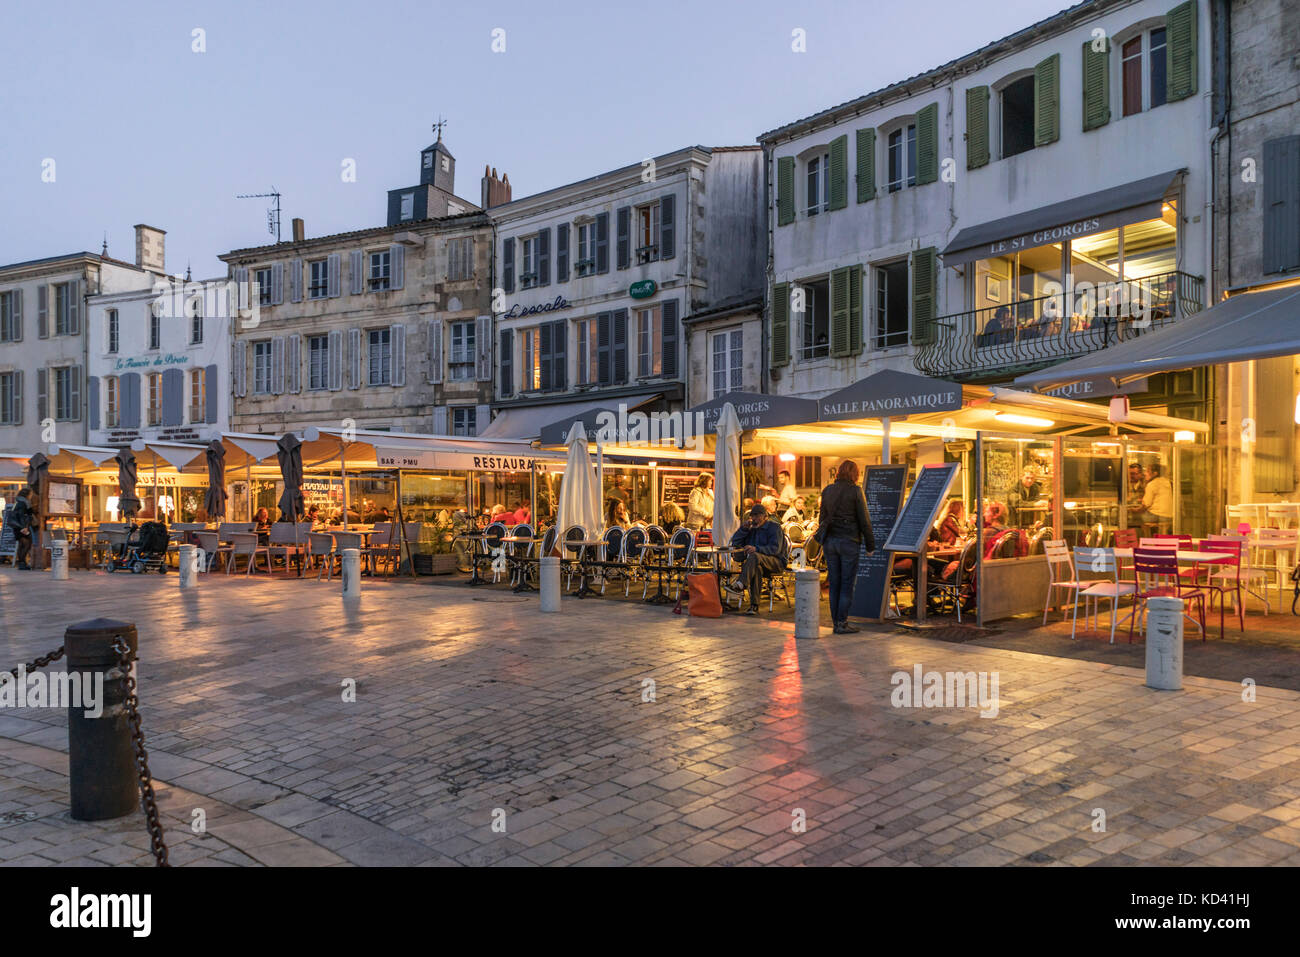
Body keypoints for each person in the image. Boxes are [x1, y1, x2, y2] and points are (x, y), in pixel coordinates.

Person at [814, 460, 874, 635]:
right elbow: (864, 520)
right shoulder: (855, 491)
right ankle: (842, 622)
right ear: (854, 474)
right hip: (849, 541)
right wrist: (871, 545)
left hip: (830, 543)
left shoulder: (827, 491)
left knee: (834, 583)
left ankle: (835, 623)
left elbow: (822, 519)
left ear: (838, 472)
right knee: (847, 583)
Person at [723, 503, 786, 615]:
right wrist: (743, 529)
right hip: (757, 563)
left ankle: (740, 584)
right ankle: (754, 606)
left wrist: (756, 548)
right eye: (753, 516)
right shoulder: (752, 529)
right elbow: (736, 543)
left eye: (758, 516)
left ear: (765, 517)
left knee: (755, 556)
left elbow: (775, 549)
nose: (755, 519)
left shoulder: (774, 528)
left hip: (776, 562)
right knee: (756, 568)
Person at [5, 487, 34, 570]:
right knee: (27, 544)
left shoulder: (18, 501)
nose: (31, 496)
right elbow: (22, 515)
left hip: (17, 527)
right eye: (30, 494)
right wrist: (25, 527)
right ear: (27, 494)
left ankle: (22, 563)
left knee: (22, 544)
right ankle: (22, 563)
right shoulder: (24, 502)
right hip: (22, 527)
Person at [1140, 463, 1173, 533]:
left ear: (1155, 473)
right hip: (1170, 515)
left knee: (1136, 518)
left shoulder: (1152, 484)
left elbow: (1146, 504)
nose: (1145, 473)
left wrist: (1136, 508)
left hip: (1157, 516)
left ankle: (1146, 541)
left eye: (1147, 471)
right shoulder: (1168, 482)